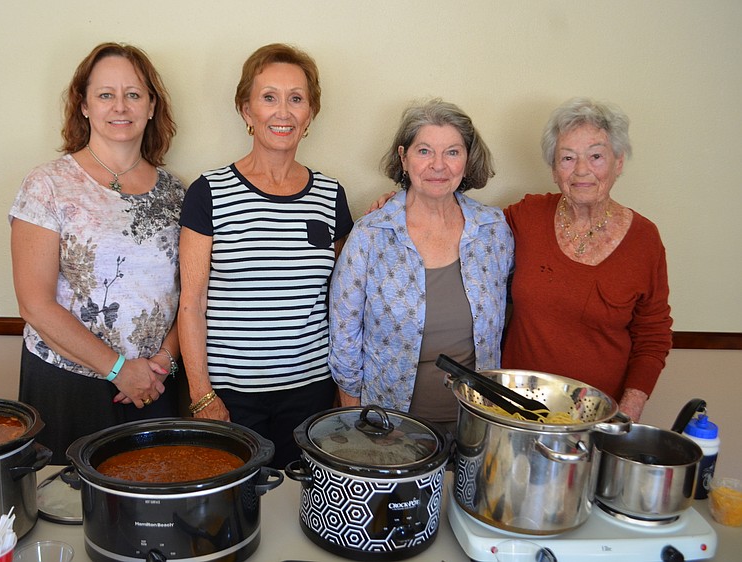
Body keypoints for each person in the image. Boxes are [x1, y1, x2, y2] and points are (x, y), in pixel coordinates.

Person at [178, 43, 353, 468]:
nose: (283, 112)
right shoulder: (209, 193)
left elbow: (346, 299)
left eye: (296, 99)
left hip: (310, 394)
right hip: (231, 398)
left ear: (310, 114)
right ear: (246, 110)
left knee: (302, 508)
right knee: (234, 513)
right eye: (269, 97)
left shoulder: (331, 195)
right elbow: (191, 303)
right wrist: (203, 396)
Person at [9, 42, 185, 464]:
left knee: (152, 513)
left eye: (134, 93)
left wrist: (159, 363)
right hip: (68, 384)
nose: (120, 106)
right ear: (84, 105)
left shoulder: (179, 193)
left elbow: (192, 295)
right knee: (68, 512)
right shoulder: (48, 184)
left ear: (150, 105)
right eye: (105, 94)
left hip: (156, 386)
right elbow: (34, 304)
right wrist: (118, 368)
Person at [329, 99, 514, 432]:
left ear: (468, 159)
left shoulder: (493, 230)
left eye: (453, 152)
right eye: (425, 151)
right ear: (404, 157)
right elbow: (344, 337)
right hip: (388, 422)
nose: (438, 165)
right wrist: (357, 418)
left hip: (476, 422)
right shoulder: (372, 234)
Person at [502, 97, 672, 422]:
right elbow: (464, 228)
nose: (582, 170)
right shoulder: (528, 216)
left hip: (596, 417)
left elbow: (653, 335)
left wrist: (629, 410)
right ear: (553, 169)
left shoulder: (645, 240)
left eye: (596, 156)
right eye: (567, 158)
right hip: (516, 410)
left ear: (618, 162)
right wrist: (401, 203)